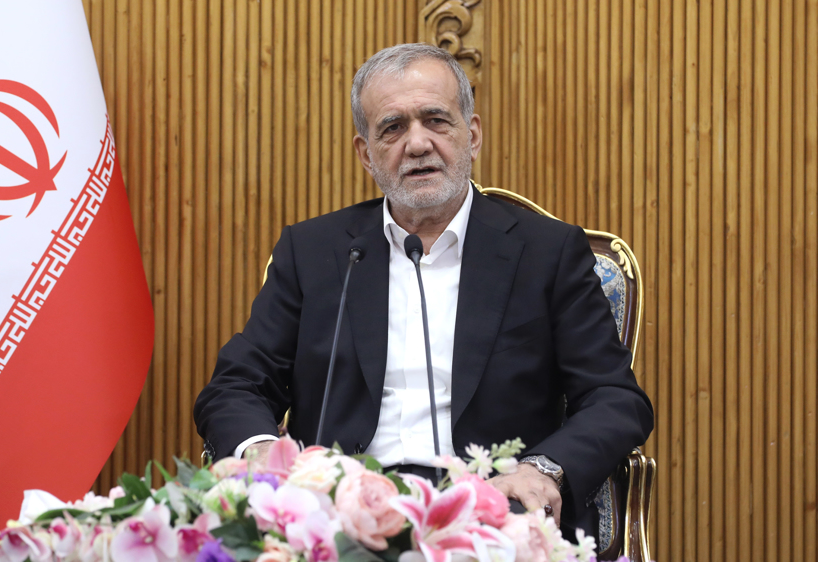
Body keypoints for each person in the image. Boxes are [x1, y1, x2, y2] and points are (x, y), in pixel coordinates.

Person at [194, 43, 653, 540]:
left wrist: (541, 469)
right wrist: (262, 451)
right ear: (366, 153)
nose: (417, 144)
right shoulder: (314, 251)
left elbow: (613, 397)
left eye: (436, 120)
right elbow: (236, 384)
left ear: (471, 135)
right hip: (339, 509)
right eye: (392, 127)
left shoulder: (546, 251)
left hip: (491, 507)